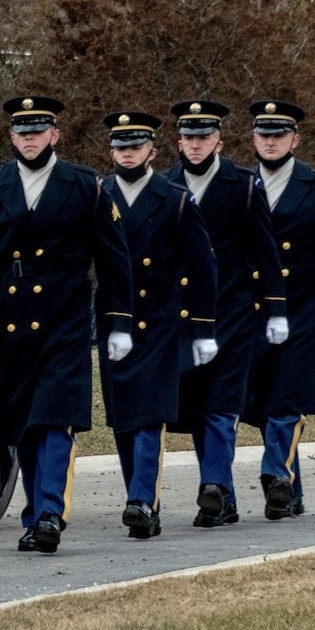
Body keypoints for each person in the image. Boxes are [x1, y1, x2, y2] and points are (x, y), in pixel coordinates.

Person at [0, 95, 133, 554]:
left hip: (63, 315)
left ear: (55, 135)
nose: (29, 140)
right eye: (21, 133)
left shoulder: (85, 185)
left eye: (38, 132)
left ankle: (50, 512)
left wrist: (120, 321)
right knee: (23, 422)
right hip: (7, 318)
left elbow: (114, 260)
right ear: (12, 137)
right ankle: (35, 516)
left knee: (54, 417)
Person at [163, 100, 286, 528]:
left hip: (232, 311)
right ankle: (223, 496)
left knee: (221, 401)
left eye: (203, 137)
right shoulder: (165, 185)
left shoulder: (244, 185)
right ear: (178, 141)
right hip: (181, 313)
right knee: (197, 404)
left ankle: (213, 486)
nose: (195, 146)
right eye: (188, 138)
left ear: (219, 140)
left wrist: (276, 309)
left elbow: (267, 250)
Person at [96, 111, 218, 540]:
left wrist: (203, 330)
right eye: (121, 147)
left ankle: (141, 501)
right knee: (123, 416)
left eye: (136, 147)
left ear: (152, 151)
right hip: (112, 317)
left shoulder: (175, 198)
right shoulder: (99, 195)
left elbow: (203, 268)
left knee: (150, 414)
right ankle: (141, 496)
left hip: (160, 321)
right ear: (111, 151)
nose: (128, 155)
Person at [242, 99, 315, 520]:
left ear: (295, 139)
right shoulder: (240, 186)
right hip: (251, 309)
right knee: (260, 399)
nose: (270, 142)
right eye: (263, 135)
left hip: (301, 308)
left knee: (288, 396)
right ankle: (290, 492)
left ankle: (275, 475)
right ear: (253, 138)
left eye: (279, 135)